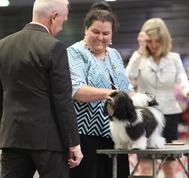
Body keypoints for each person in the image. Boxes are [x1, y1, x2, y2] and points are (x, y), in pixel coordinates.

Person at [0, 0, 83, 178]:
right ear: (54, 17)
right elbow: (63, 100)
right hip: (48, 141)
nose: (61, 27)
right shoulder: (54, 47)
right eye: (63, 20)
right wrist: (73, 143)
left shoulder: (3, 46)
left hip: (12, 138)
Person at [67, 1, 134, 178]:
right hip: (85, 136)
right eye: (95, 32)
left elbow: (127, 88)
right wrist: (111, 94)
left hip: (117, 135)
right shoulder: (75, 52)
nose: (100, 37)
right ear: (86, 30)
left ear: (112, 35)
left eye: (106, 33)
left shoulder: (115, 55)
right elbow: (77, 90)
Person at [126, 17, 189, 178]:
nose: (153, 45)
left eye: (157, 41)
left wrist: (187, 90)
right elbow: (126, 78)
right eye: (150, 41)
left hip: (170, 115)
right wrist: (140, 49)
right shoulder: (139, 57)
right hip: (146, 117)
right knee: (145, 165)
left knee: (170, 163)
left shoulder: (174, 58)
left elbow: (182, 79)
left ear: (165, 40)